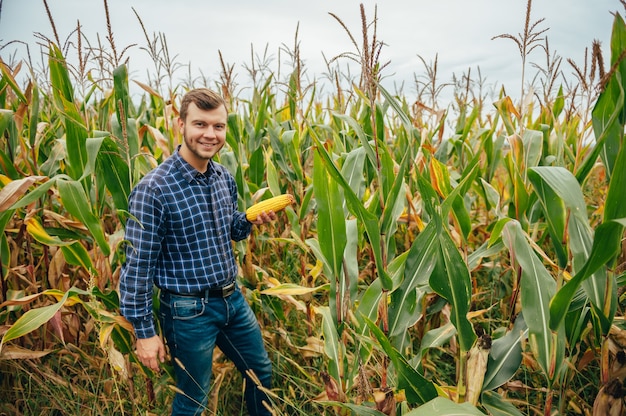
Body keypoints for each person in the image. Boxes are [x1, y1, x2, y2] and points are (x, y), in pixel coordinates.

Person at [119, 88, 275, 416]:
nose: (210, 134)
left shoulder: (222, 178)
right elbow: (137, 267)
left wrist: (248, 219)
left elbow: (227, 231)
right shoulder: (154, 190)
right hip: (188, 312)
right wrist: (144, 333)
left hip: (232, 300)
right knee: (193, 399)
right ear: (181, 125)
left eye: (218, 126)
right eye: (200, 124)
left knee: (260, 375)